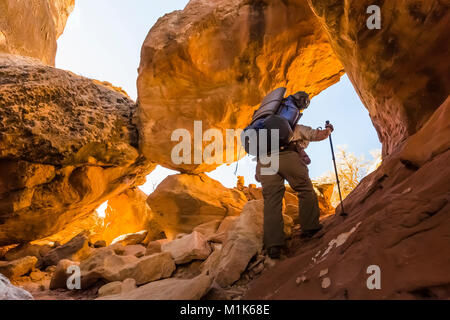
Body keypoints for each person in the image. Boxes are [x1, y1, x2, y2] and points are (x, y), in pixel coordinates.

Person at [255, 91, 334, 259]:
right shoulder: (294, 126)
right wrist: (328, 130)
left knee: (272, 201)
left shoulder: (264, 128)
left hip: (264, 160)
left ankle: (273, 245)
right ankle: (310, 229)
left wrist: (258, 171)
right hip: (286, 155)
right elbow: (318, 135)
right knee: (305, 189)